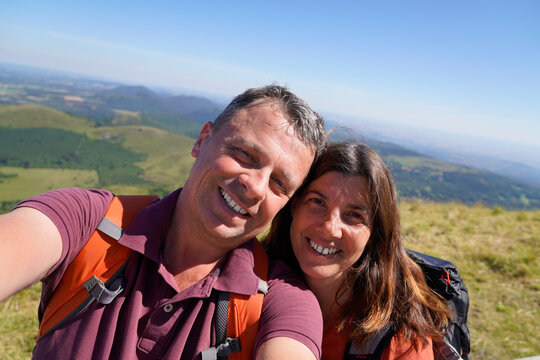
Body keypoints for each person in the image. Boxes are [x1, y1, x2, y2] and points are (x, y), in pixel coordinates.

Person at [0, 85, 326, 359]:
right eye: (245, 155)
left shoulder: (277, 299)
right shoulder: (88, 221)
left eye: (279, 184)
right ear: (202, 140)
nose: (256, 187)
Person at [263, 142, 452, 360]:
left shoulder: (400, 341)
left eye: (354, 215)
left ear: (374, 235)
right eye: (317, 201)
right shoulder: (248, 277)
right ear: (294, 205)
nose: (330, 228)